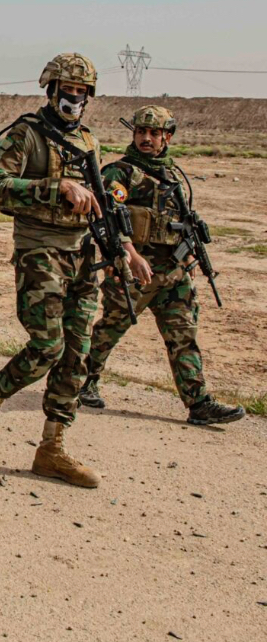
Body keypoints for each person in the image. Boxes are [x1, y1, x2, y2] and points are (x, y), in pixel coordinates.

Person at [0, 52, 145, 488]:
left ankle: (52, 448)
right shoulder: (26, 134)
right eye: (68, 90)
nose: (74, 98)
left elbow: (101, 202)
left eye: (82, 92)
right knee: (47, 346)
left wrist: (122, 248)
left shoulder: (88, 140)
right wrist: (57, 187)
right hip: (40, 251)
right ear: (52, 90)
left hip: (82, 254)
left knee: (76, 353)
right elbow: (0, 189)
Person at [80, 105, 244, 426]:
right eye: (141, 132)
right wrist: (130, 254)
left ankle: (198, 402)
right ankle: (82, 382)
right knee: (111, 328)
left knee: (183, 334)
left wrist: (189, 255)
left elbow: (179, 219)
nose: (146, 138)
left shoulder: (172, 175)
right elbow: (105, 217)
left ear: (167, 137)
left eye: (154, 133)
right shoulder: (121, 173)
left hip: (173, 273)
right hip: (134, 272)